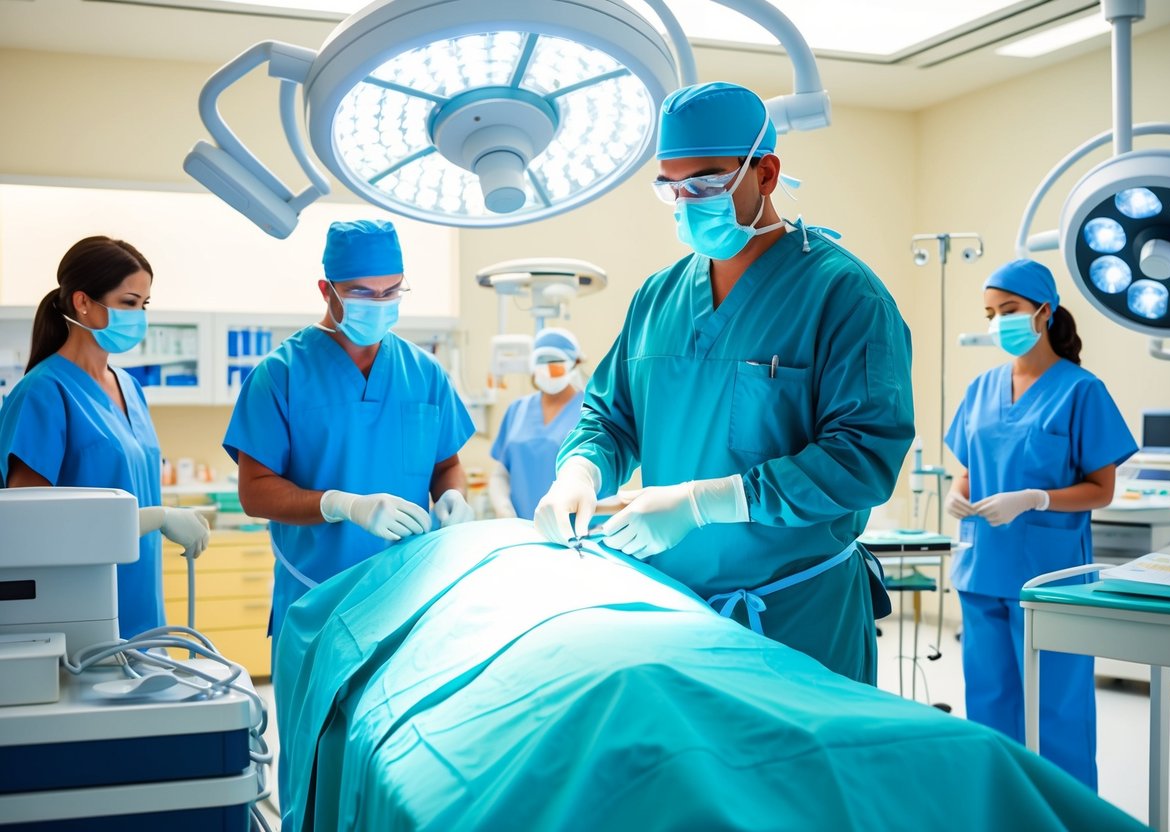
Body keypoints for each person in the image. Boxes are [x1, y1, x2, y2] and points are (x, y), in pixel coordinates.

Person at [533, 82, 914, 685]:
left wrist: (702, 504)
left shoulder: (843, 295)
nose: (687, 201)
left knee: (802, 779)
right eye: (671, 187)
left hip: (798, 618)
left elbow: (862, 459)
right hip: (673, 610)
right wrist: (579, 473)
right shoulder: (657, 297)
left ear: (765, 173)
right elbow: (609, 418)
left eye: (706, 183)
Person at [222, 219, 475, 639]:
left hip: (408, 598)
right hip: (317, 601)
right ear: (327, 290)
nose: (378, 303)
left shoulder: (424, 373)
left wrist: (453, 496)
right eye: (362, 292)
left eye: (391, 291)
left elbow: (446, 463)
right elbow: (254, 491)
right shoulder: (280, 375)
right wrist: (341, 505)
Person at [944, 258, 1136, 789]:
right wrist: (957, 495)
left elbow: (1102, 488)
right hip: (981, 573)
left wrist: (1034, 498)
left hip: (1050, 584)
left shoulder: (1081, 391)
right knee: (990, 712)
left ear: (1043, 312)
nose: (997, 322)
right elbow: (968, 471)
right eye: (990, 313)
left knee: (1057, 718)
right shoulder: (982, 388)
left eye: (1009, 310)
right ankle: (1002, 814)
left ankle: (1068, 817)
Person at [0, 236, 210, 638]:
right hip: (78, 612)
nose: (140, 316)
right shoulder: (43, 393)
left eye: (144, 305)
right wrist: (157, 518)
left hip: (143, 606)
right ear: (82, 302)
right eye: (129, 302)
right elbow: (27, 528)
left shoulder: (130, 387)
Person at [489, 328, 585, 520]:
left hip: (575, 531)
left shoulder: (588, 412)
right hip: (520, 529)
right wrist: (503, 508)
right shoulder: (517, 409)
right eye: (541, 363)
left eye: (556, 364)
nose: (548, 371)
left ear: (575, 364)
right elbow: (501, 473)